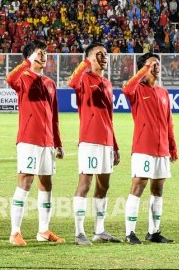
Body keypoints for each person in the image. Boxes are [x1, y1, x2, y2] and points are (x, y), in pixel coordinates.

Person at [5, 41, 65, 246]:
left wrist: (58, 142)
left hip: (47, 141)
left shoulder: (49, 82)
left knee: (46, 185)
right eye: (40, 53)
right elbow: (9, 78)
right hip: (29, 139)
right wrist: (26, 62)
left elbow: (54, 115)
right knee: (25, 182)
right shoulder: (22, 78)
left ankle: (43, 230)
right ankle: (15, 232)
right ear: (30, 57)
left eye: (46, 53)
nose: (44, 56)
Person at [68, 43, 121, 245]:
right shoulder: (83, 78)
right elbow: (71, 82)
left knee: (103, 186)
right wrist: (86, 63)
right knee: (85, 184)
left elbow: (110, 117)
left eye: (105, 54)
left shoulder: (107, 83)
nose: (104, 57)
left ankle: (99, 231)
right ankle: (79, 232)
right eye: (99, 54)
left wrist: (115, 145)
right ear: (89, 57)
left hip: (106, 142)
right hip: (89, 140)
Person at [122, 53, 177, 245]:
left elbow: (168, 122)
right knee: (138, 186)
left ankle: (153, 232)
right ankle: (130, 232)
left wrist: (173, 146)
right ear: (143, 68)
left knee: (158, 189)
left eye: (157, 64)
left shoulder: (163, 93)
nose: (156, 67)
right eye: (151, 64)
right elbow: (127, 88)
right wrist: (144, 70)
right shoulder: (136, 90)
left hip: (162, 149)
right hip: (143, 147)